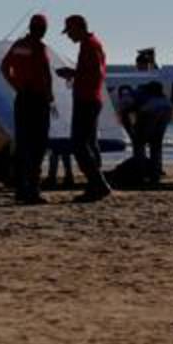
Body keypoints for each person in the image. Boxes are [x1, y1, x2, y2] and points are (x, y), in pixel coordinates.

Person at [55, 15, 113, 203]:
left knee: (79, 145)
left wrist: (73, 73)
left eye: (70, 31)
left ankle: (98, 183)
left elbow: (95, 72)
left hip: (87, 99)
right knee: (89, 144)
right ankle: (95, 185)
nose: (69, 36)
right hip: (90, 98)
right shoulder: (90, 44)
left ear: (79, 28)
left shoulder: (90, 45)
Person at [0, 14, 54, 204]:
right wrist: (49, 96)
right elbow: (46, 74)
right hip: (37, 99)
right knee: (38, 146)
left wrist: (16, 85)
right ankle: (32, 189)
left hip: (22, 98)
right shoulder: (39, 48)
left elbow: (4, 67)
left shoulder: (18, 46)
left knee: (23, 145)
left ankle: (20, 189)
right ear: (42, 30)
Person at [117, 81, 172, 183]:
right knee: (156, 143)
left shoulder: (126, 100)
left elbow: (125, 118)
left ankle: (140, 174)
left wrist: (133, 135)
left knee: (139, 144)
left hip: (150, 109)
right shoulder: (141, 93)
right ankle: (155, 175)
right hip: (167, 107)